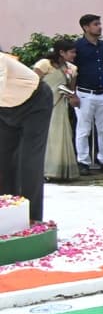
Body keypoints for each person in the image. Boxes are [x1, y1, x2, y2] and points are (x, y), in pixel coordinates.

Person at [1, 49, 51, 221]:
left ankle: (31, 217)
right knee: (3, 162)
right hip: (4, 108)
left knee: (29, 162)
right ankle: (7, 214)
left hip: (35, 103)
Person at [73, 13, 103, 174]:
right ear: (85, 27)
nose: (99, 27)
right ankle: (83, 161)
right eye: (96, 24)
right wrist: (72, 94)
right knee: (83, 129)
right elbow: (71, 71)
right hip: (84, 93)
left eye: (99, 24)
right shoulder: (78, 46)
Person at [39, 39, 80, 182]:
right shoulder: (44, 64)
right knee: (46, 137)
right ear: (62, 52)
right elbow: (33, 83)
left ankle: (60, 170)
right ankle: (44, 171)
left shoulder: (71, 68)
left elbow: (71, 89)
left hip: (60, 106)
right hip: (43, 106)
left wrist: (73, 97)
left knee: (61, 136)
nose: (74, 55)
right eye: (72, 52)